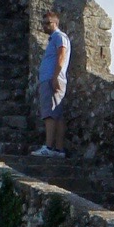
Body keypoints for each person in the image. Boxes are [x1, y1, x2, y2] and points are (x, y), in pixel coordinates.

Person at [35, 17, 70, 156]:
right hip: (51, 78)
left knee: (49, 113)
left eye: (47, 23)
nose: (44, 25)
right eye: (43, 23)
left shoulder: (59, 37)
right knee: (57, 115)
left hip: (52, 79)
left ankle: (49, 147)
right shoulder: (54, 38)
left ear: (55, 23)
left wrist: (55, 76)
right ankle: (59, 149)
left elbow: (61, 55)